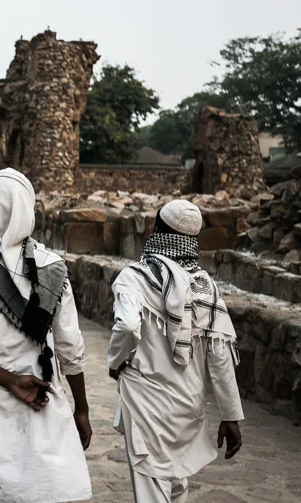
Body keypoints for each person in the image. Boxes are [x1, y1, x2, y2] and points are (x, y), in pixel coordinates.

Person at [0, 169, 92, 503]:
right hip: (43, 395)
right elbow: (70, 349)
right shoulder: (54, 267)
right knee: (46, 489)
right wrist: (82, 410)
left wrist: (8, 379)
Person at [108, 199, 243, 503]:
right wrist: (230, 416)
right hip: (188, 404)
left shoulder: (135, 278)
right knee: (178, 481)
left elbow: (128, 326)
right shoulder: (206, 287)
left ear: (156, 230)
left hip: (147, 404)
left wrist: (115, 361)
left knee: (152, 488)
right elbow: (220, 356)